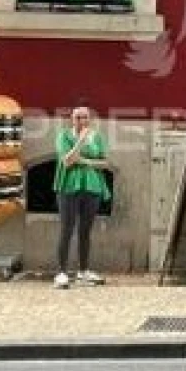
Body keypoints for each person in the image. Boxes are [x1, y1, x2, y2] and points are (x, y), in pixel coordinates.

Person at [53, 104, 109, 287]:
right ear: (72, 119)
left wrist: (84, 160)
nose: (82, 121)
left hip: (92, 187)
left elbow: (105, 163)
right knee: (67, 228)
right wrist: (80, 141)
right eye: (78, 117)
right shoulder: (64, 136)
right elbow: (68, 161)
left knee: (85, 231)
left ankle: (83, 272)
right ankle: (61, 273)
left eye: (85, 117)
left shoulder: (98, 137)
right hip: (69, 187)